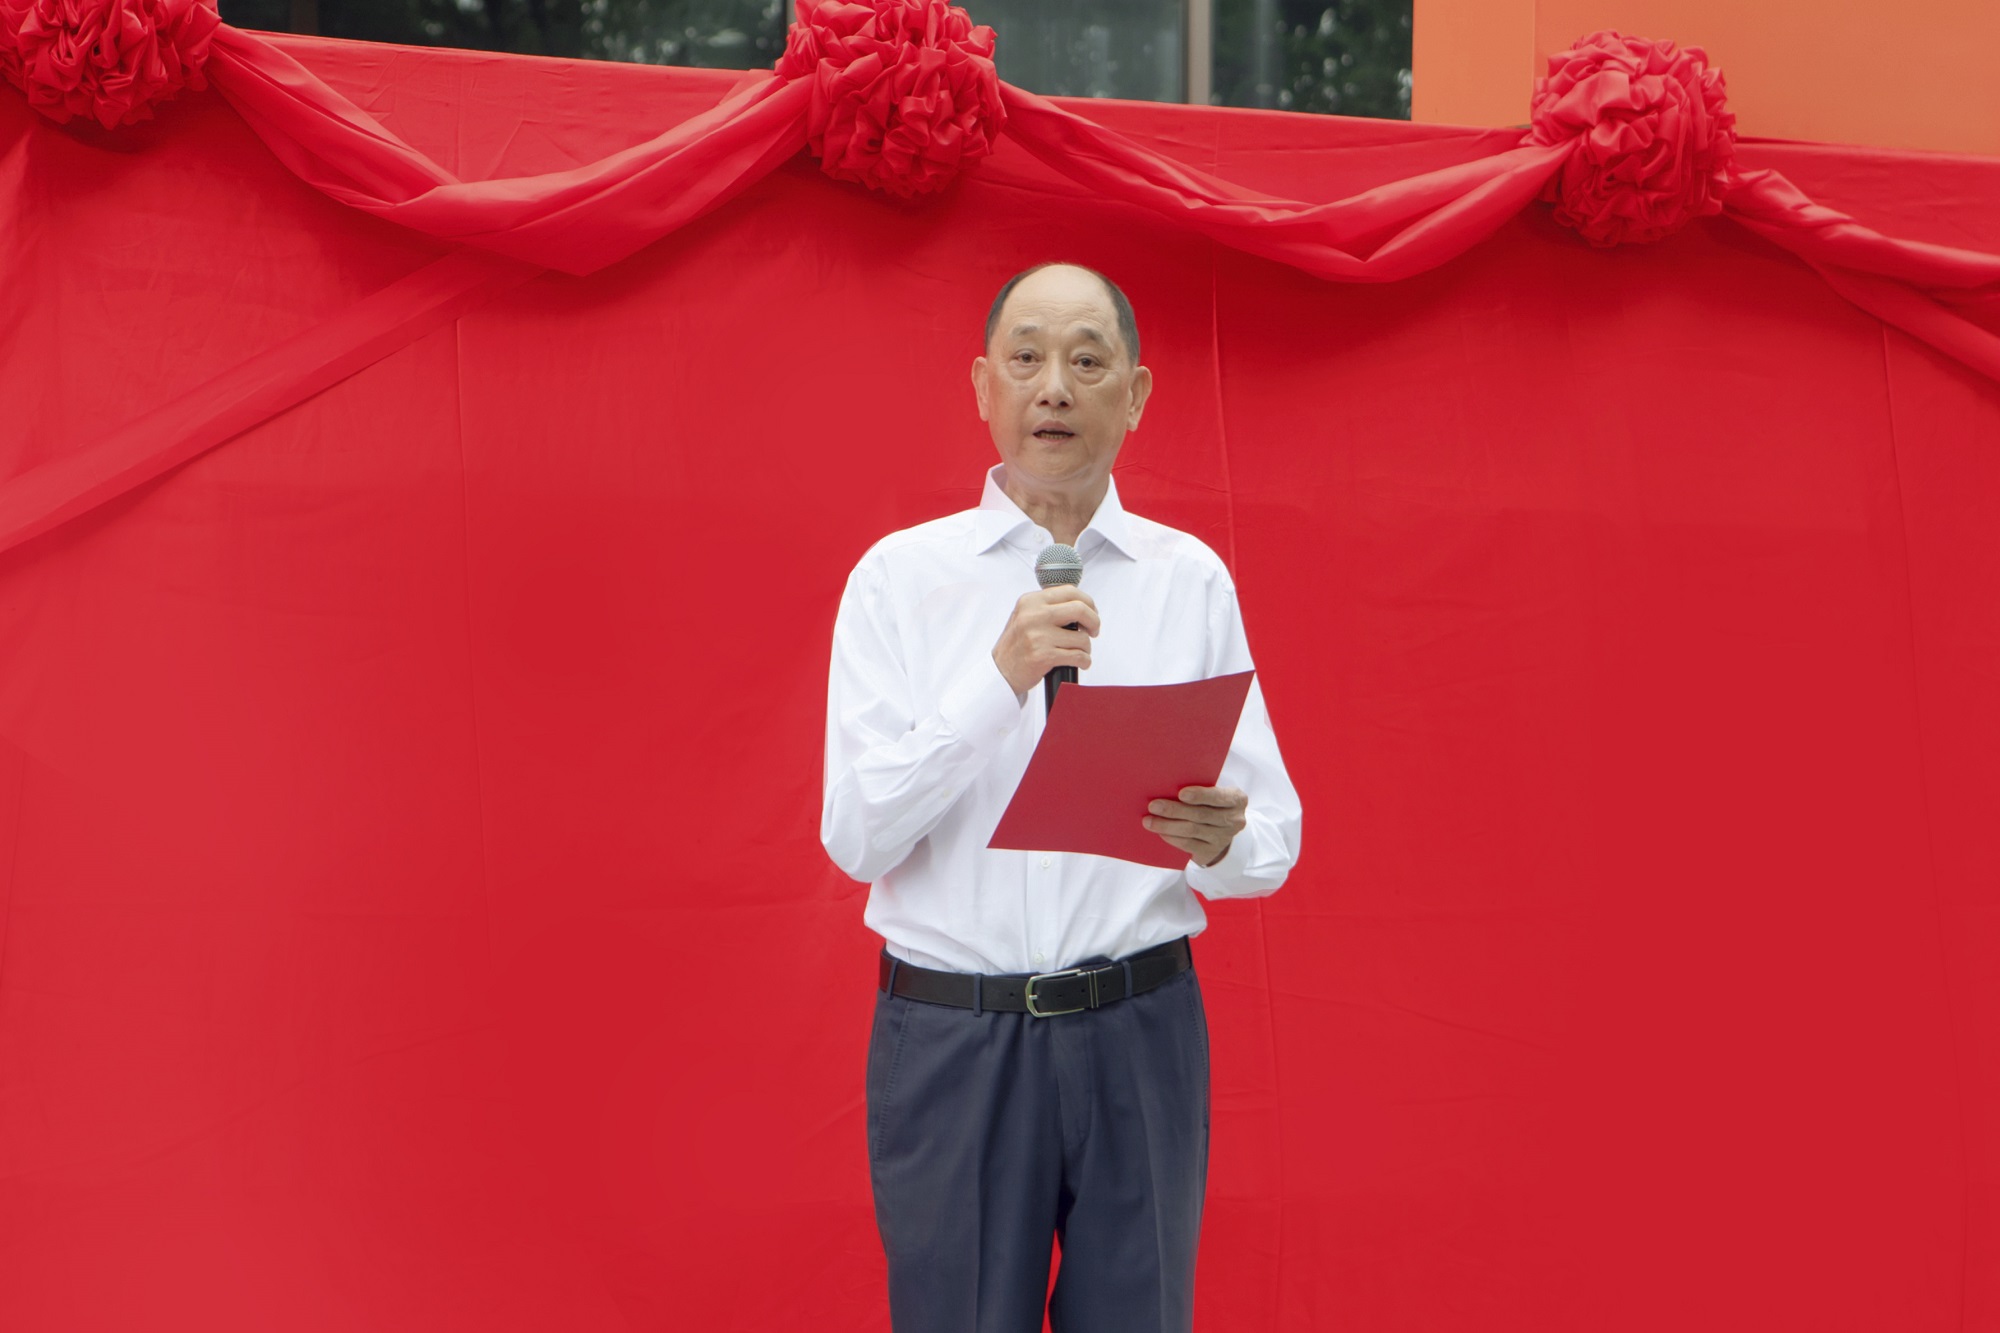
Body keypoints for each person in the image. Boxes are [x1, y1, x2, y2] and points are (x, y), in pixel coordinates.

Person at [820, 261, 1303, 1333]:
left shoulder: (1189, 579)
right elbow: (855, 836)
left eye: (1087, 361)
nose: (1054, 386)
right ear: (982, 385)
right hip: (955, 1037)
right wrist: (996, 682)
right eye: (1027, 358)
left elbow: (1270, 842)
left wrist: (1219, 839)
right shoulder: (899, 578)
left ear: (1134, 396)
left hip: (1138, 1031)